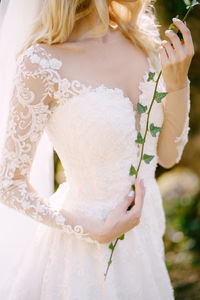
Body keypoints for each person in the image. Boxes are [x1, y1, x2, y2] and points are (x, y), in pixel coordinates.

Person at [0, 0, 194, 299]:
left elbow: (168, 156)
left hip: (145, 243)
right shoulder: (42, 63)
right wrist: (91, 229)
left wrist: (178, 83)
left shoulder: (144, 44)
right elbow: (9, 184)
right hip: (83, 256)